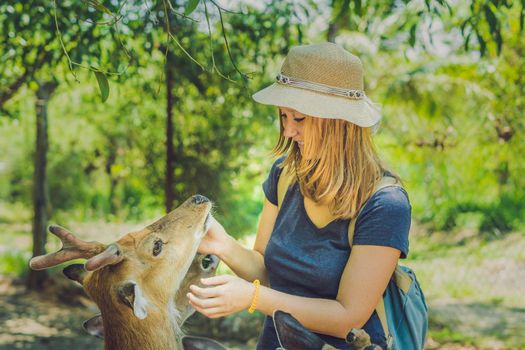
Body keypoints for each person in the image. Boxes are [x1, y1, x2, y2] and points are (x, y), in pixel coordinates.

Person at [187, 42, 411, 350]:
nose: (289, 131)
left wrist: (252, 298)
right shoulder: (284, 175)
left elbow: (349, 317)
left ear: (339, 123)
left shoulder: (385, 205)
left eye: (300, 119)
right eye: (283, 116)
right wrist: (222, 244)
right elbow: (267, 272)